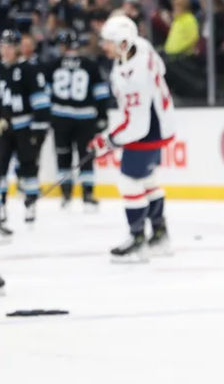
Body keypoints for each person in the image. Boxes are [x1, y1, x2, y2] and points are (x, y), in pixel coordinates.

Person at [89, 16, 176, 262]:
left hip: (147, 132)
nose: (104, 46)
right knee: (148, 179)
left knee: (129, 183)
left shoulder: (133, 76)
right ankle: (159, 235)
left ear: (124, 43)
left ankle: (137, 239)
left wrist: (108, 140)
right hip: (160, 126)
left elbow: (136, 125)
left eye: (109, 42)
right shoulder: (141, 47)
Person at [46, 29, 111, 209]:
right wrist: (102, 116)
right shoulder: (90, 65)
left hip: (60, 118)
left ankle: (66, 194)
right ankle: (87, 194)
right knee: (86, 156)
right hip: (85, 118)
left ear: (63, 46)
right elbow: (101, 94)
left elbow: (45, 95)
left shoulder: (53, 65)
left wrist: (47, 118)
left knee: (63, 155)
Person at [0, 29, 50, 224]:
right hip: (4, 129)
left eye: (10, 46)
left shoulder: (29, 69)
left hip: (25, 127)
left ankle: (30, 204)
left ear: (18, 47)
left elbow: (40, 101)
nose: (6, 50)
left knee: (28, 167)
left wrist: (38, 129)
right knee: (0, 167)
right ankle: (1, 206)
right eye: (3, 46)